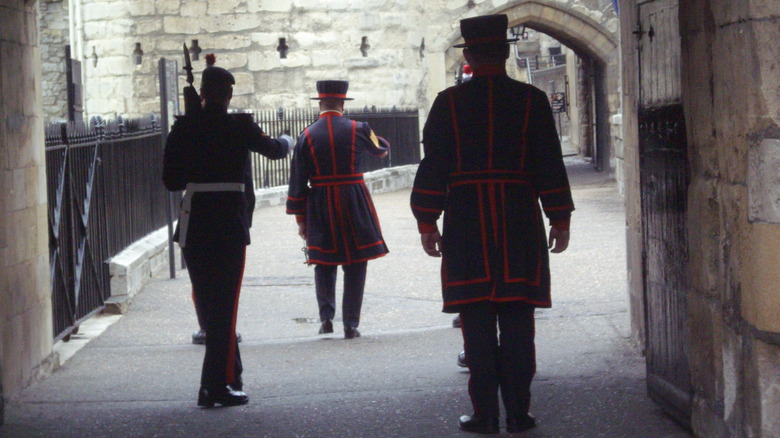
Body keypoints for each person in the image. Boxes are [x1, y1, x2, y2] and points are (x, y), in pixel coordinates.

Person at [411, 15, 574, 435]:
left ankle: (485, 415)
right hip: (519, 217)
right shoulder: (531, 100)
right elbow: (549, 164)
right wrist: (559, 216)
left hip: (467, 222)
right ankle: (519, 413)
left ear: (468, 54)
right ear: (504, 53)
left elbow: (434, 165)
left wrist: (427, 220)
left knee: (477, 321)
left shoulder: (448, 103)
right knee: (519, 319)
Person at [163, 54, 292, 407]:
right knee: (224, 308)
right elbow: (275, 150)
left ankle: (230, 373)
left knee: (209, 305)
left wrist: (193, 142)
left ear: (202, 93)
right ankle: (213, 387)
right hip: (228, 226)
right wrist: (288, 139)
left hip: (194, 224)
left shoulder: (183, 128)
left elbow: (171, 181)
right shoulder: (239, 126)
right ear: (229, 95)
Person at [286, 80, 389, 340]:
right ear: (342, 104)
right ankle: (351, 323)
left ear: (320, 103)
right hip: (353, 198)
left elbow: (298, 179)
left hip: (320, 201)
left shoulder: (306, 135)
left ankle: (326, 319)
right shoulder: (359, 128)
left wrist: (301, 218)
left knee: (323, 261)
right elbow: (381, 150)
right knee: (356, 261)